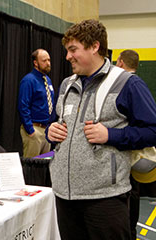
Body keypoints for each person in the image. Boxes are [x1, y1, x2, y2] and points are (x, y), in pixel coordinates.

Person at [46, 19, 156, 240]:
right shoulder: (67, 84)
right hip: (65, 197)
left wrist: (111, 135)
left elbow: (152, 130)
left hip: (105, 199)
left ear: (95, 46)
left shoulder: (127, 84)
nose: (67, 57)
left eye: (73, 49)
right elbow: (56, 122)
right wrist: (51, 131)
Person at [116, 49, 141, 240]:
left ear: (121, 62)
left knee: (130, 197)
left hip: (129, 155)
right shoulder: (137, 85)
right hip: (133, 156)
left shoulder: (128, 85)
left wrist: (111, 134)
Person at [18, 49, 54, 158]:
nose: (48, 63)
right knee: (31, 167)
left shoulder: (48, 80)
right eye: (44, 61)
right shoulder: (28, 80)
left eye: (49, 60)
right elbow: (23, 106)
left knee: (43, 167)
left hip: (47, 131)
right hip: (34, 130)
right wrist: (30, 131)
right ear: (35, 63)